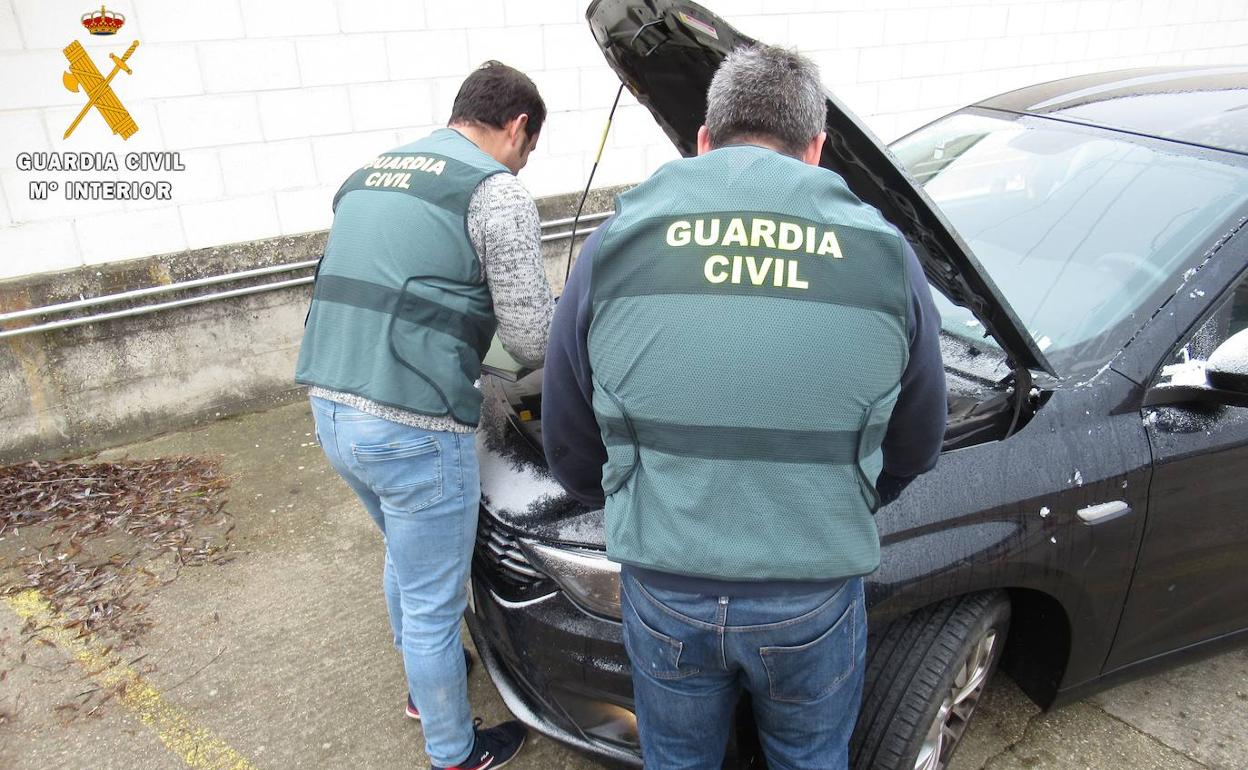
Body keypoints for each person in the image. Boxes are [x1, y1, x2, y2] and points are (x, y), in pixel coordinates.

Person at [541, 45, 946, 769]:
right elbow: (916, 445)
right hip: (812, 594)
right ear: (816, 150)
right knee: (810, 759)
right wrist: (822, 503)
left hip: (665, 586)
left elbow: (569, 443)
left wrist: (651, 499)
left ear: (703, 140)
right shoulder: (887, 258)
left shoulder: (614, 245)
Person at [295, 61, 554, 770]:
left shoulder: (371, 171)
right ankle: (453, 750)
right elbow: (531, 340)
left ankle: (422, 684)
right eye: (529, 150)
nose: (524, 163)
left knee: (407, 560)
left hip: (330, 406)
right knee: (438, 600)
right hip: (412, 424)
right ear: (517, 127)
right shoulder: (496, 194)